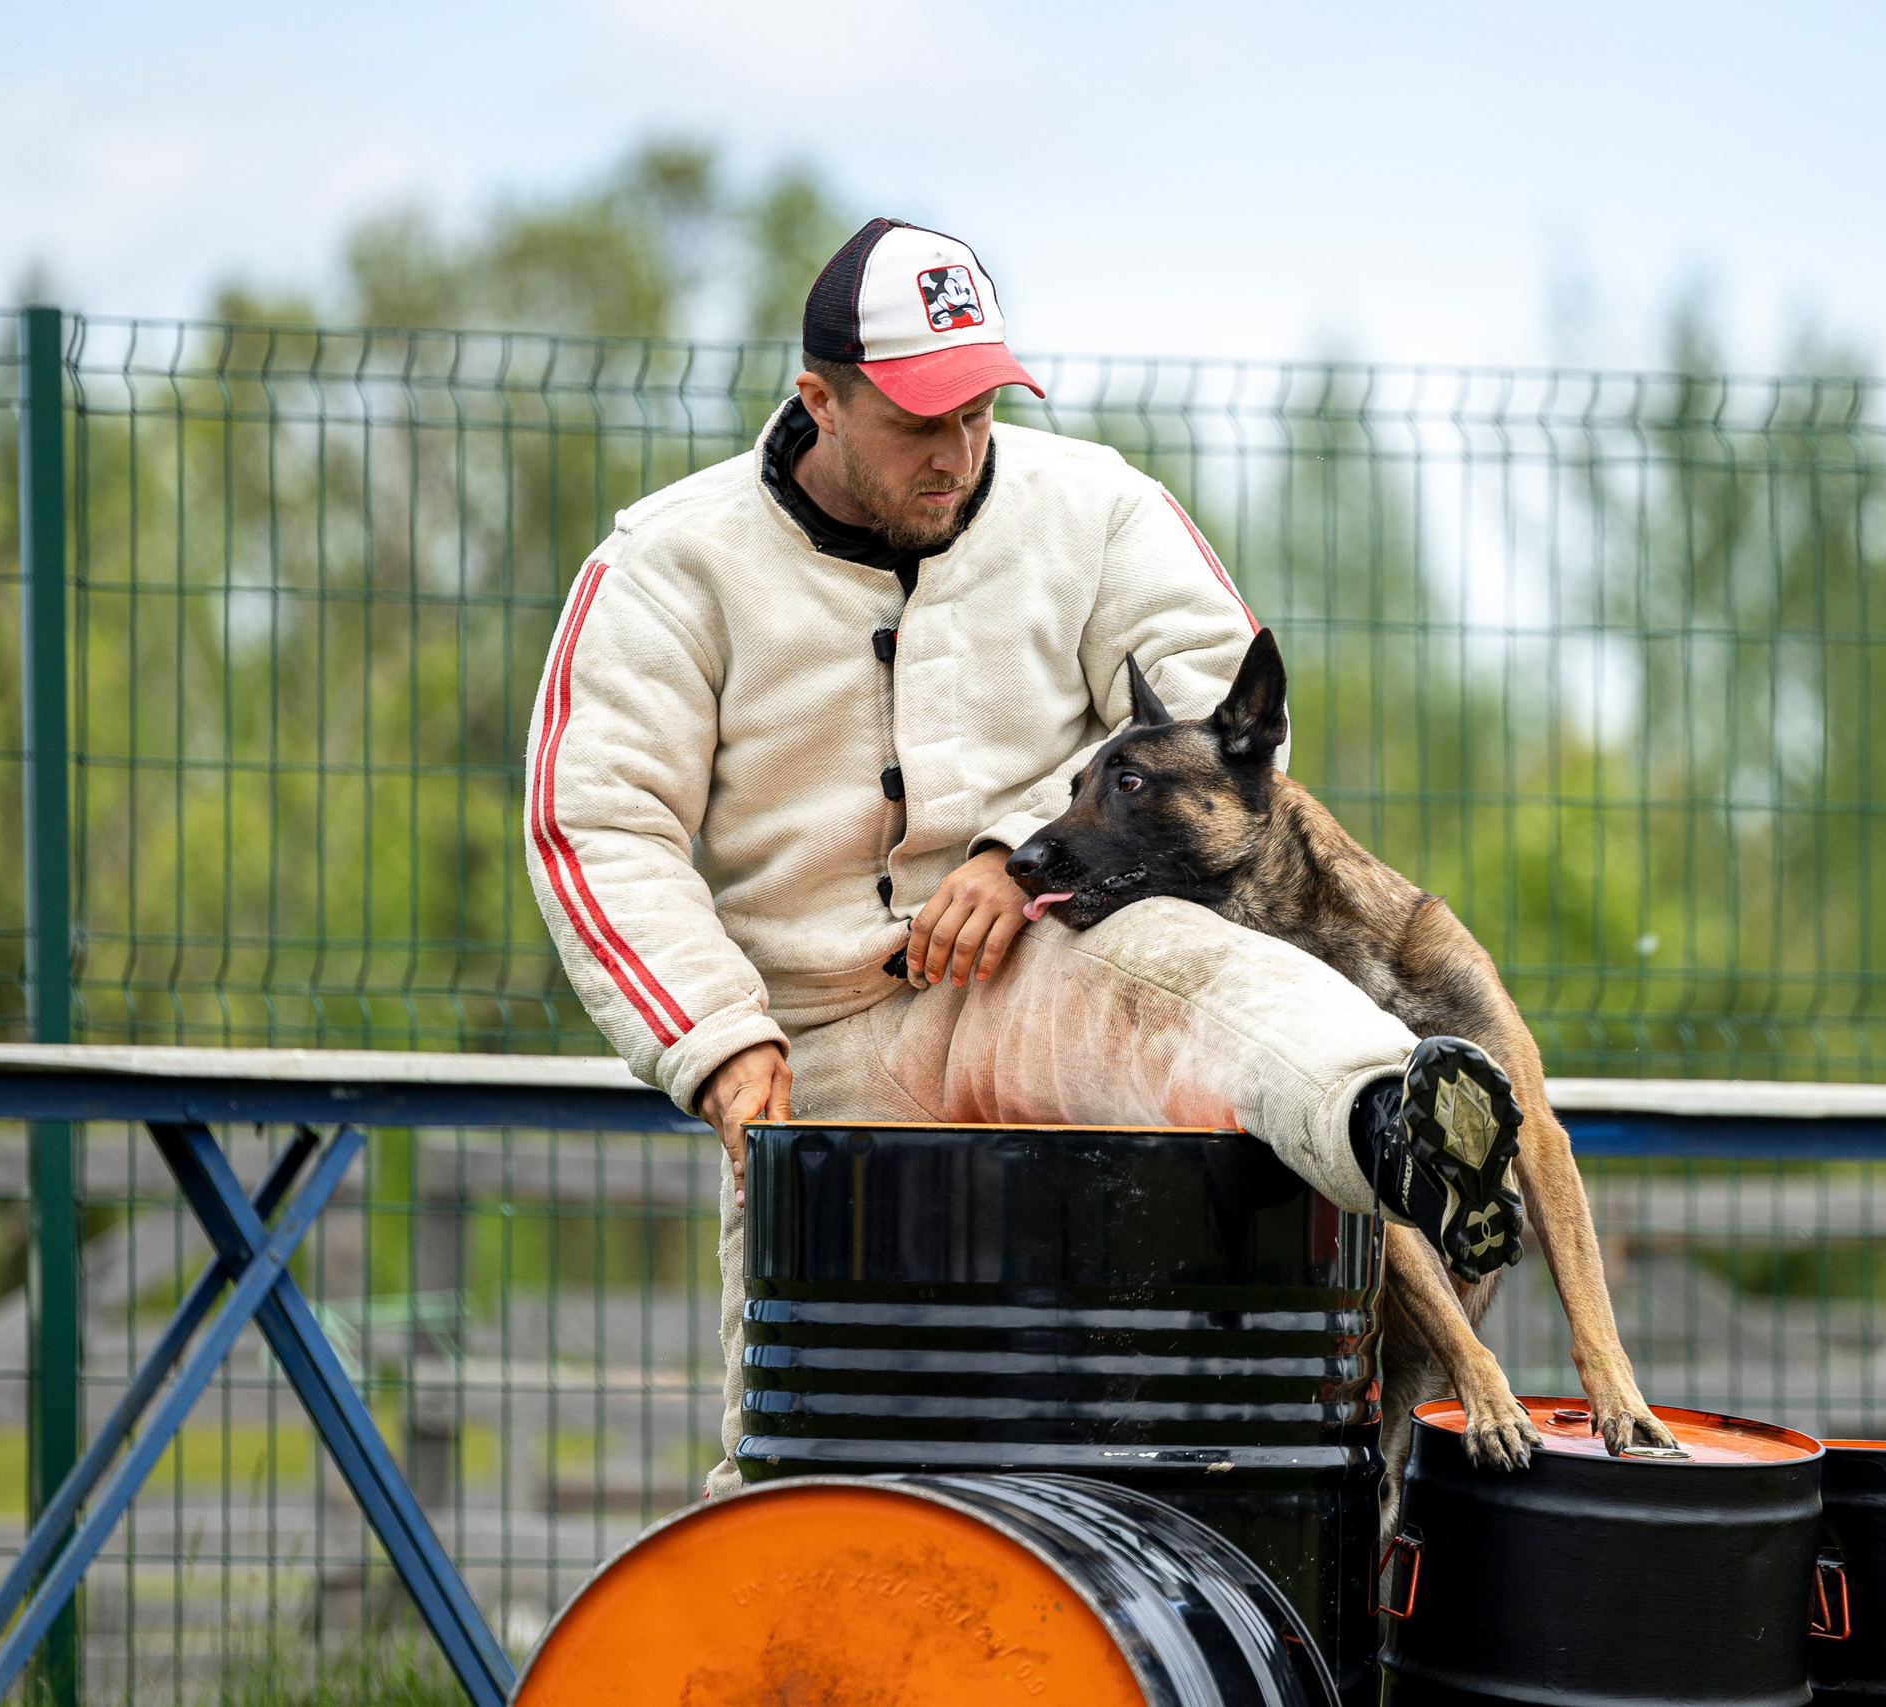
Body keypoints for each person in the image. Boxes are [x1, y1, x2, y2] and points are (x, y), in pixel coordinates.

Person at [525, 218, 1524, 1498]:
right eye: (918, 422)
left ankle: (1397, 1124)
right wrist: (717, 1040)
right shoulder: (665, 567)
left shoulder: (1100, 505)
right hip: (819, 1039)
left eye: (981, 412)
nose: (959, 452)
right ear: (816, 400)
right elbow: (596, 822)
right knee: (812, 1459)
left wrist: (1022, 856)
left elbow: (1221, 713)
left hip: (1040, 961)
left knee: (1193, 974)